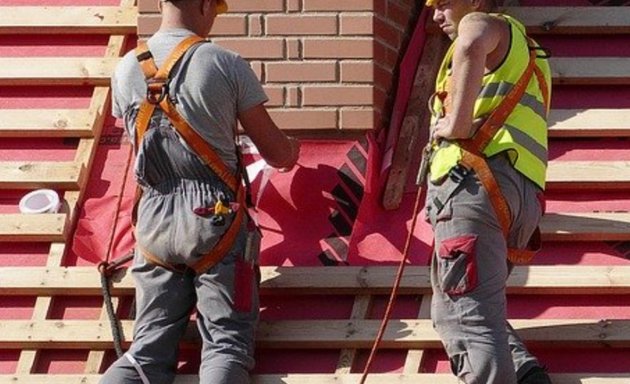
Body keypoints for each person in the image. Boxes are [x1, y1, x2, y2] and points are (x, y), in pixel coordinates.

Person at [100, 0, 299, 383]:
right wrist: (292, 152)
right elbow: (276, 153)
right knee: (226, 346)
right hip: (214, 218)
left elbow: (138, 149)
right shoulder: (223, 63)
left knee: (146, 352)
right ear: (208, 5)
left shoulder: (125, 68)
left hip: (154, 222)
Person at [422, 0, 552, 383]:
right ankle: (526, 374)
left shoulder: (482, 23)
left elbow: (471, 40)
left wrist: (456, 123)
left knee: (468, 317)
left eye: (443, 2)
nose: (435, 14)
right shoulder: (527, 52)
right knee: (462, 309)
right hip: (519, 192)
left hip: (473, 186)